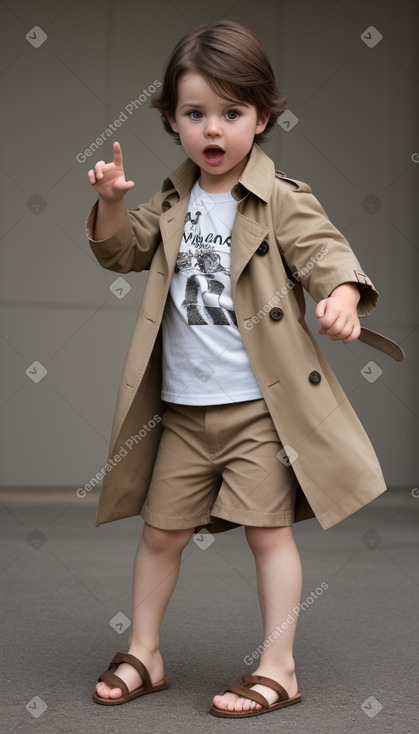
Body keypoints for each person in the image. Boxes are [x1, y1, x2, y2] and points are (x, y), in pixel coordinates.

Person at [85, 19, 402, 718]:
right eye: (196, 113)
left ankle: (279, 667)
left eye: (232, 112)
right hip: (182, 412)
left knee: (267, 533)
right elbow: (118, 251)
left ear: (261, 116)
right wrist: (110, 201)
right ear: (172, 119)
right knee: (162, 532)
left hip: (258, 409)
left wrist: (343, 295)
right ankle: (146, 650)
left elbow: (323, 250)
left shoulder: (279, 197)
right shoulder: (172, 202)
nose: (213, 129)